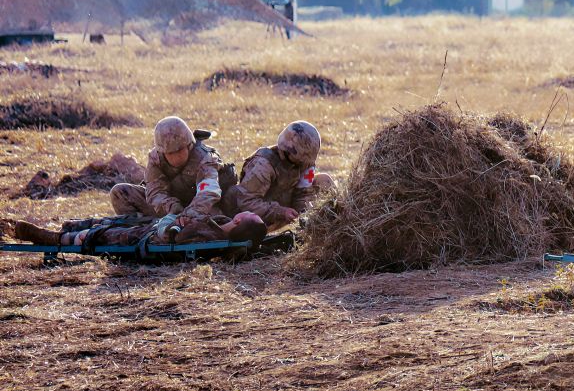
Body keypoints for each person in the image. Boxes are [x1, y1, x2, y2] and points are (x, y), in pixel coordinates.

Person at [222, 121, 334, 230]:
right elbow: (246, 202)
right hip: (249, 218)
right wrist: (281, 212)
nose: (305, 164)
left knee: (324, 180)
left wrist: (304, 216)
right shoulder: (264, 164)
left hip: (282, 205)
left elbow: (303, 192)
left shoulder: (304, 160)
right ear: (288, 151)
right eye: (302, 159)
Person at [109, 116, 223, 220]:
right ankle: (149, 230)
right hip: (169, 208)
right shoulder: (156, 159)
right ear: (162, 152)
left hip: (202, 208)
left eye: (179, 150)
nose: (176, 157)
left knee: (214, 220)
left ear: (189, 145)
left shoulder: (205, 158)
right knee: (120, 192)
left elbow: (208, 192)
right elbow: (155, 192)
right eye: (170, 153)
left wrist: (190, 214)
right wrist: (171, 207)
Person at [10, 211, 266, 248]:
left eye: (250, 215)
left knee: (101, 235)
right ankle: (73, 227)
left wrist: (171, 219)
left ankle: (56, 239)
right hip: (148, 229)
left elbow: (168, 237)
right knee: (119, 220)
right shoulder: (217, 226)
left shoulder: (210, 233)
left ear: (239, 222)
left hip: (145, 238)